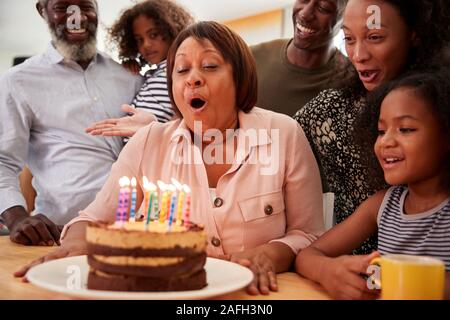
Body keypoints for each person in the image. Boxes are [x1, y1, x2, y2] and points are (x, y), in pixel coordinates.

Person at [15, 21, 324, 295]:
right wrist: (80, 244)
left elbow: (309, 233)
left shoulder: (283, 134)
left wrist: (273, 253)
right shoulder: (148, 142)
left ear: (240, 77)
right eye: (182, 70)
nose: (193, 79)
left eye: (210, 66)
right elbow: (92, 219)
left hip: (255, 298)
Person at [293, 0, 450, 254]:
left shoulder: (441, 104)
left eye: (375, 37)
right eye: (348, 38)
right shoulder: (328, 113)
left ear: (415, 33)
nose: (358, 55)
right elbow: (278, 146)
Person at [296, 69, 450, 300]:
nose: (385, 142)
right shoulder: (383, 205)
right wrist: (330, 271)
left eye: (405, 129)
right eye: (380, 131)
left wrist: (387, 278)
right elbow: (308, 255)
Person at [0, 0, 142, 246]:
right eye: (62, 7)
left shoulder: (128, 77)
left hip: (138, 232)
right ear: (42, 10)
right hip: (60, 236)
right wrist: (17, 217)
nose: (76, 17)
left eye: (85, 6)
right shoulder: (18, 81)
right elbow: (3, 161)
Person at [85, 0, 193, 137]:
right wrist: (131, 68)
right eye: (139, 40)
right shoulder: (151, 74)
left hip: (161, 145)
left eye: (153, 35)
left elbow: (188, 111)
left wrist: (167, 132)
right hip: (134, 148)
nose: (146, 44)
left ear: (171, 31)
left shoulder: (180, 68)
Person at [251, 0, 350, 117]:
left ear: (346, 18)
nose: (305, 13)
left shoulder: (356, 82)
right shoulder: (249, 59)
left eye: (323, 8)